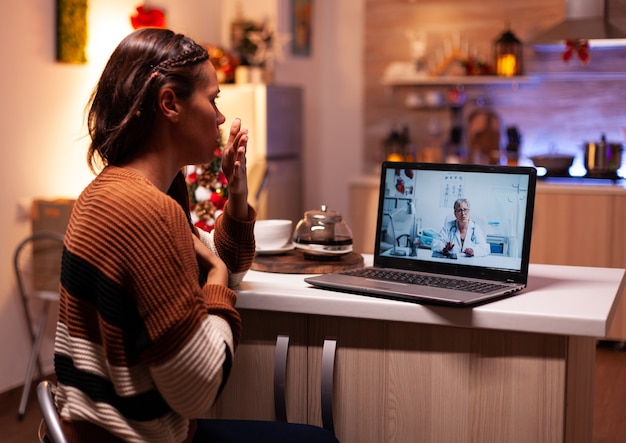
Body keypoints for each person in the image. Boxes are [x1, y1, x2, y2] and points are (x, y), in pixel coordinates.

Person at [53, 28, 338, 443]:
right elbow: (197, 389)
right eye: (214, 99)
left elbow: (219, 263)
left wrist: (236, 195)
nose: (221, 117)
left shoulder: (115, 190)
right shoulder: (147, 211)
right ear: (170, 103)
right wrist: (218, 276)